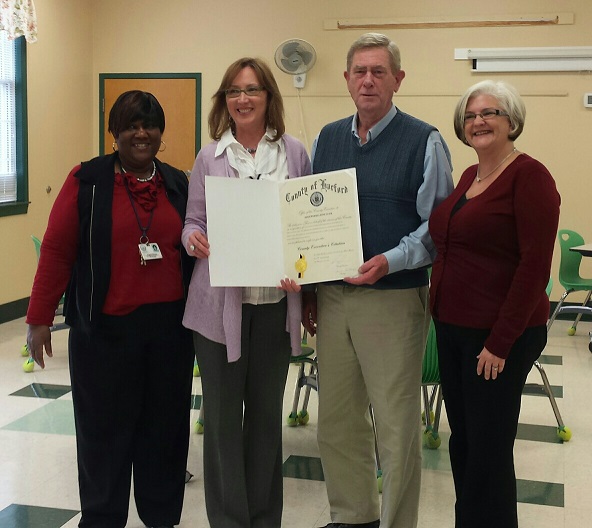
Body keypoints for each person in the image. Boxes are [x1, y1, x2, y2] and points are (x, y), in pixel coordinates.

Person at [300, 33, 453, 528]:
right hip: (332, 298)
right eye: (359, 71)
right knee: (337, 423)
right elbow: (305, 217)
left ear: (398, 80)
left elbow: (438, 228)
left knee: (395, 426)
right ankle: (353, 516)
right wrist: (303, 283)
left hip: (392, 300)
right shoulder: (325, 139)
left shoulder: (424, 141)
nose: (368, 80)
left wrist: (389, 259)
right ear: (346, 80)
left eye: (379, 72)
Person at [26, 90, 195, 528]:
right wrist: (39, 318)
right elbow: (58, 251)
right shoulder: (87, 180)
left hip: (169, 335)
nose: (141, 133)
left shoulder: (178, 183)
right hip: (103, 335)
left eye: (149, 124)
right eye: (130, 125)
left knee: (164, 435)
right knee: (104, 438)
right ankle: (101, 519)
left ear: (161, 133)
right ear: (114, 132)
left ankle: (161, 518)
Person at [181, 57, 311, 528]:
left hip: (275, 309)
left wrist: (305, 266)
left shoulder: (295, 153)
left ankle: (262, 518)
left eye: (253, 89)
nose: (243, 98)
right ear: (224, 100)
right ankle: (229, 520)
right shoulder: (209, 157)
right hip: (218, 315)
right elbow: (194, 220)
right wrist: (191, 238)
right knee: (220, 424)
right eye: (234, 91)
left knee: (263, 422)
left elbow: (306, 225)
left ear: (269, 98)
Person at [428, 80, 560, 528]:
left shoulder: (530, 175)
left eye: (489, 113)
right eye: (470, 115)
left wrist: (501, 342)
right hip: (453, 330)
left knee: (488, 450)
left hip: (499, 338)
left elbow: (535, 265)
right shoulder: (470, 176)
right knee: (463, 442)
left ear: (512, 121)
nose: (478, 121)